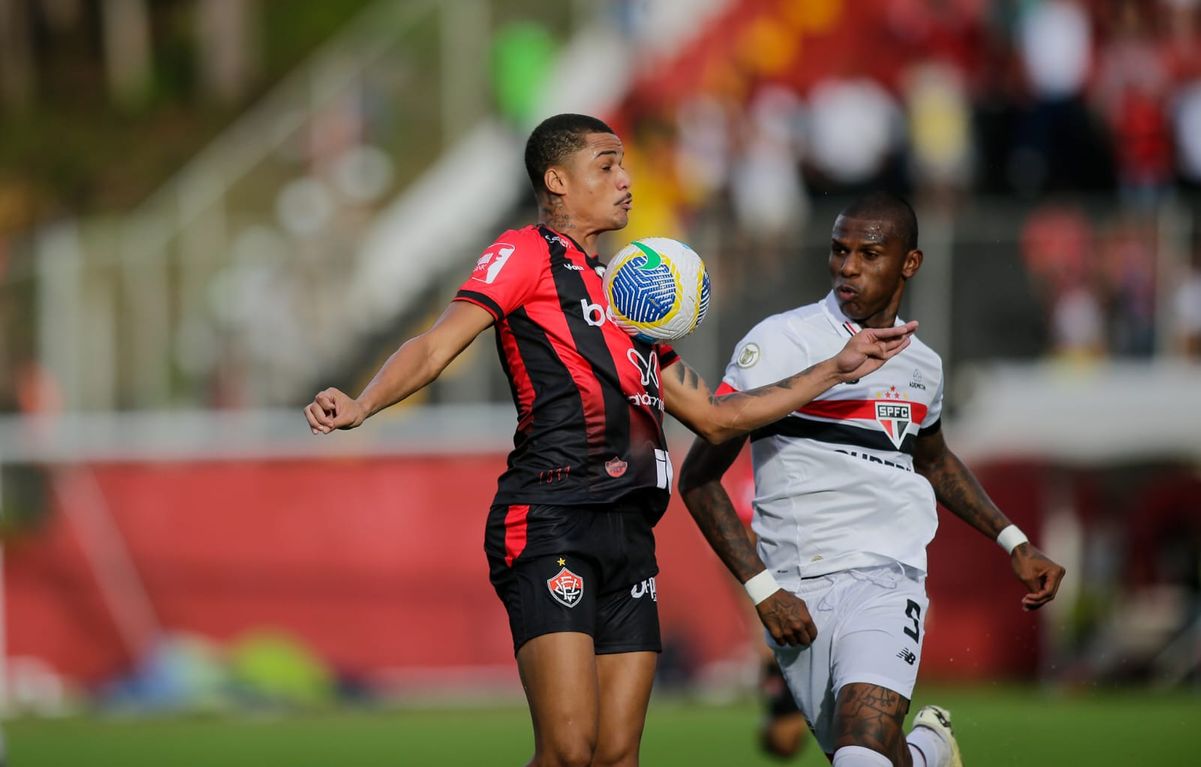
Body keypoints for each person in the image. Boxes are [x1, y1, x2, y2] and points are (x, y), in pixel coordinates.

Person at [303, 114, 917, 767]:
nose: (624, 181)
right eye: (606, 165)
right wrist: (364, 402)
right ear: (556, 180)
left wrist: (834, 367)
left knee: (616, 755)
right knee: (568, 750)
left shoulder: (633, 297)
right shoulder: (526, 253)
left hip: (628, 536)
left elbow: (715, 417)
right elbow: (436, 343)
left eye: (622, 164)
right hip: (553, 520)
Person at [679, 192, 1067, 767]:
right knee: (872, 757)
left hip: (888, 578)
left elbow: (934, 460)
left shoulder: (922, 366)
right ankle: (931, 751)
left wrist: (1014, 541)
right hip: (795, 590)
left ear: (909, 263)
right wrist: (762, 590)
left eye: (869, 253)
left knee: (861, 755)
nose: (848, 267)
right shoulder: (780, 343)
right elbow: (699, 479)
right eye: (839, 251)